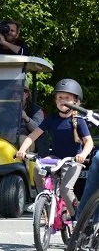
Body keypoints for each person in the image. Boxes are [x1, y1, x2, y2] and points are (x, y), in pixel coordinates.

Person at [16, 78, 94, 218]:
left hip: (73, 160)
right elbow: (32, 135)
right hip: (56, 157)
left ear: (75, 101)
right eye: (60, 97)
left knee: (65, 189)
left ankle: (79, 218)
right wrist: (22, 150)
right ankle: (44, 201)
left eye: (67, 98)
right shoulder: (51, 118)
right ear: (55, 100)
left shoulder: (79, 120)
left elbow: (89, 142)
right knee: (38, 169)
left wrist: (83, 154)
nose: (63, 100)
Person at [19, 81, 44, 152]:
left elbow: (39, 131)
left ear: (26, 94)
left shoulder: (36, 110)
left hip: (29, 140)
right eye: (13, 92)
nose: (15, 94)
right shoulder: (6, 107)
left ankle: (24, 163)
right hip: (7, 137)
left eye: (19, 92)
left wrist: (26, 118)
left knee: (22, 139)